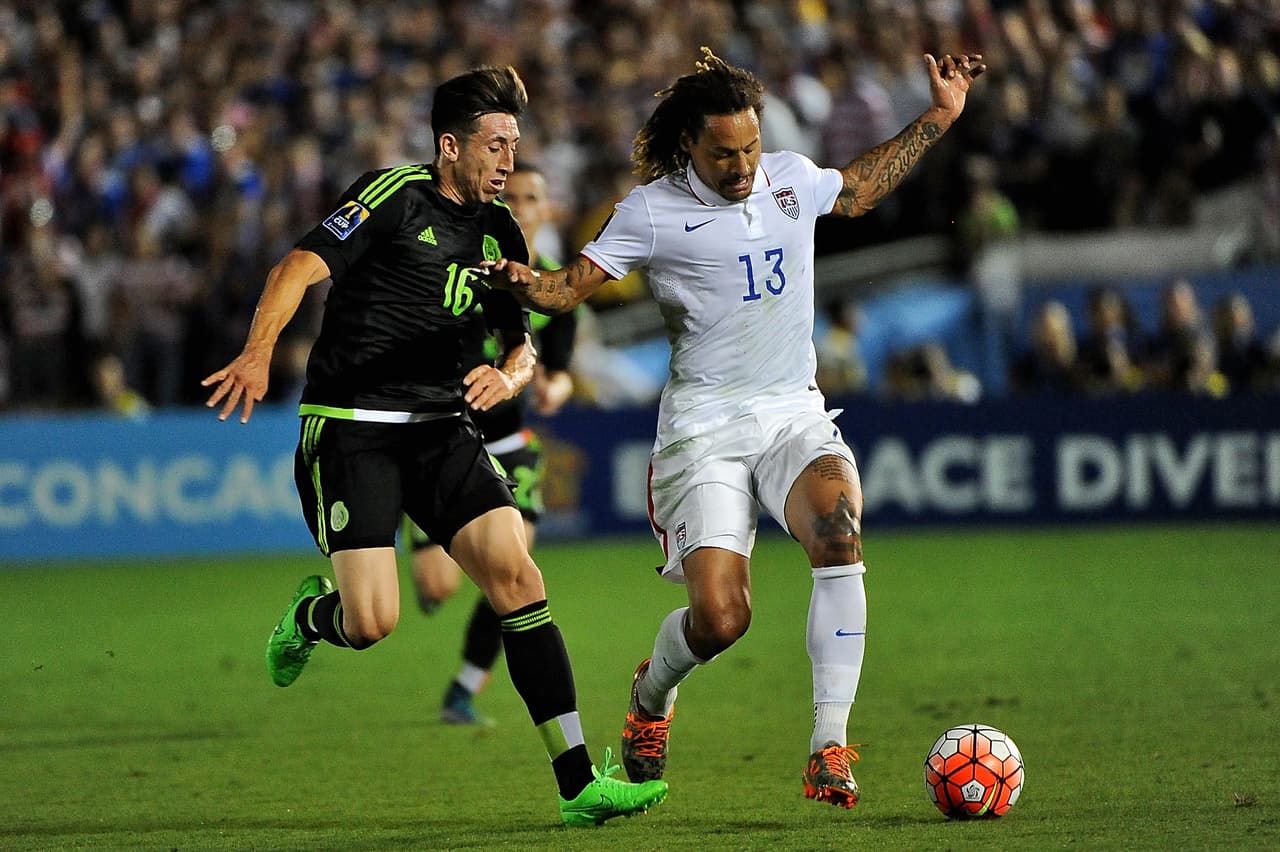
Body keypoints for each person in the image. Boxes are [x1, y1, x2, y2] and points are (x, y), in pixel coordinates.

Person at [482, 46, 986, 808]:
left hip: (792, 411)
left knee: (840, 533)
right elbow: (567, 289)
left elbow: (857, 189)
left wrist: (940, 116)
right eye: (724, 154)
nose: (743, 166)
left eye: (750, 147)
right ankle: (651, 695)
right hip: (704, 428)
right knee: (722, 619)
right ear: (689, 143)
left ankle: (828, 746)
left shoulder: (789, 178)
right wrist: (524, 284)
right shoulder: (650, 212)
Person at [200, 65, 666, 827]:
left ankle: (578, 783)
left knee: (519, 578)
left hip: (442, 426)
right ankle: (311, 618)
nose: (508, 160)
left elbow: (522, 345)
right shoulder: (393, 195)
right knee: (371, 622)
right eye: (494, 145)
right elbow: (297, 267)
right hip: (352, 425)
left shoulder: (501, 230)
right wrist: (258, 352)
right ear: (450, 146)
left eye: (514, 145)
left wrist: (509, 378)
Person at [403, 163, 579, 726]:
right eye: (513, 197)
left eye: (531, 198)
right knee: (438, 587)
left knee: (513, 570)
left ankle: (463, 689)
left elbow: (562, 369)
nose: (521, 207)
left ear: (546, 209)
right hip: (445, 440)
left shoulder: (555, 287)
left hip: (510, 444)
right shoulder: (461, 269)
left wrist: (554, 386)